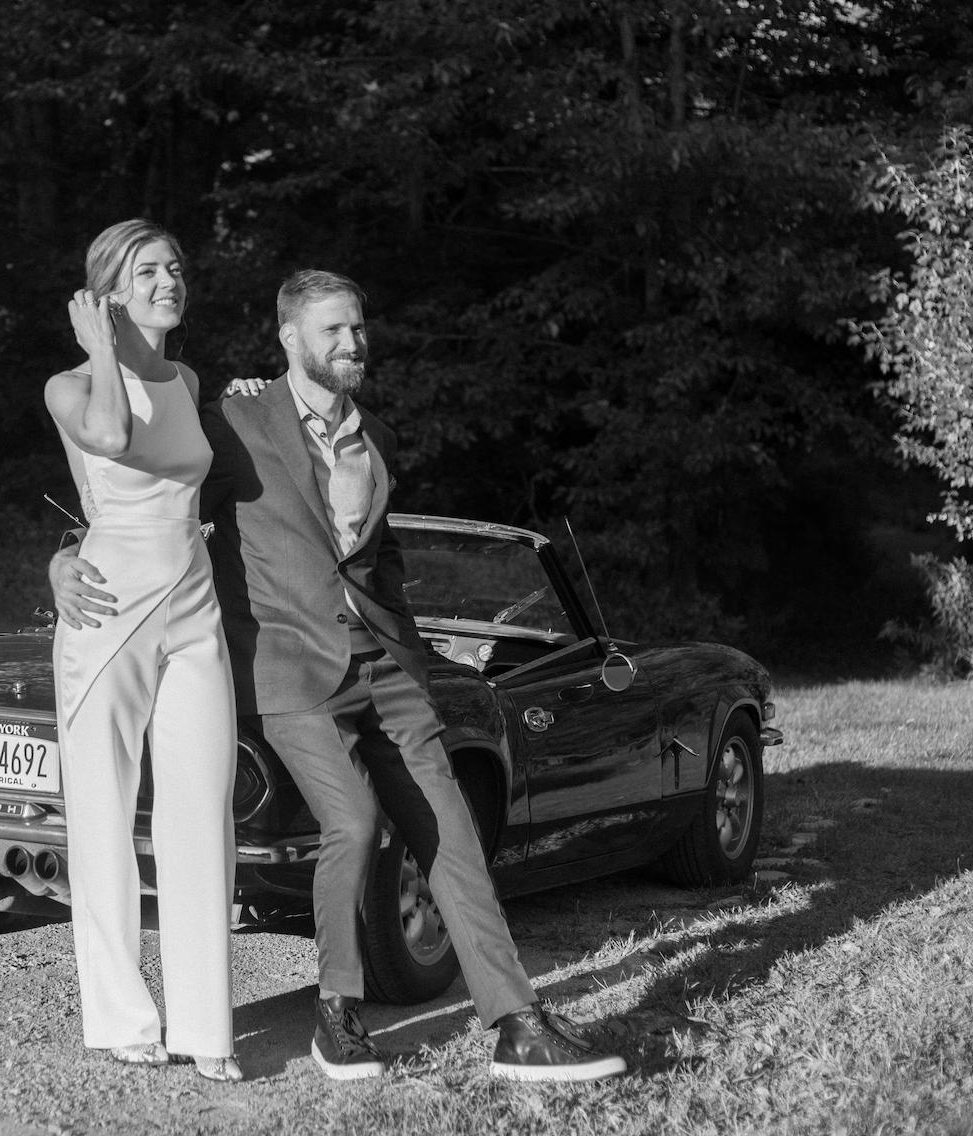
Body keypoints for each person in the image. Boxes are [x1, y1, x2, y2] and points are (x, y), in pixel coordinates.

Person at [51, 269, 627, 1083]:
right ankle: (337, 1014)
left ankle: (518, 1023)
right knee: (353, 821)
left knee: (451, 830)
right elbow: (147, 497)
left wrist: (414, 658)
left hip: (385, 667)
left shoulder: (377, 436)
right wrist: (65, 558)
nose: (352, 343)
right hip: (288, 669)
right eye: (333, 330)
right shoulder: (235, 420)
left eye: (358, 327)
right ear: (290, 337)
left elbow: (380, 561)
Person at [42, 219, 241, 1083]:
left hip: (194, 609)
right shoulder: (67, 387)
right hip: (108, 612)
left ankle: (206, 1027)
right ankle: (122, 1017)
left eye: (175, 267)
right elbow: (113, 443)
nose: (171, 280)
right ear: (109, 293)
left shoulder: (188, 379)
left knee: (202, 810)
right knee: (102, 813)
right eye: (149, 270)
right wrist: (102, 351)